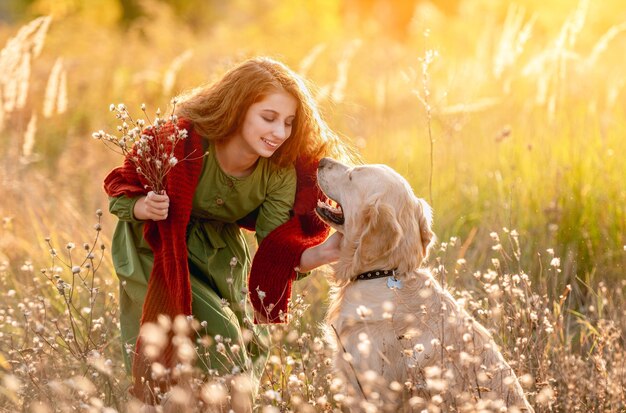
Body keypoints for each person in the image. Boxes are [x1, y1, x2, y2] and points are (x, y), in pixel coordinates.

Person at [103, 56, 357, 404]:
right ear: (237, 109)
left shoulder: (280, 170)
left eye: (288, 122)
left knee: (249, 347)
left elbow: (274, 244)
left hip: (218, 252)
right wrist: (141, 206)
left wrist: (322, 253)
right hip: (159, 245)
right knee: (204, 343)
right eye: (268, 118)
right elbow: (120, 191)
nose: (279, 133)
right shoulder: (181, 142)